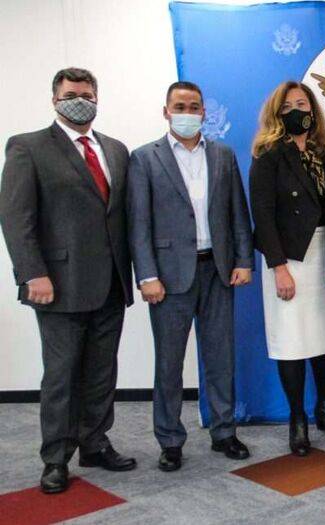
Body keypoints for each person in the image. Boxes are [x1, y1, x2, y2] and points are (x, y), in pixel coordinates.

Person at [0, 67, 137, 494]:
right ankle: (56, 457)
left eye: (87, 95)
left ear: (97, 99)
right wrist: (32, 273)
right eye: (71, 94)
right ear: (54, 100)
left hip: (111, 282)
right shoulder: (28, 147)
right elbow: (16, 218)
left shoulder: (115, 150)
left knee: (102, 371)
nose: (80, 101)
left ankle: (95, 443)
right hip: (57, 285)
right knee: (61, 375)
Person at [127, 81, 254, 472]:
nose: (187, 112)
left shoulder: (222, 155)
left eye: (194, 106)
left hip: (217, 269)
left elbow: (237, 212)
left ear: (203, 112)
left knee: (220, 357)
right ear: (166, 111)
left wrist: (243, 260)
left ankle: (224, 431)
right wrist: (147, 275)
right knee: (169, 362)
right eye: (179, 106)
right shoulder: (144, 158)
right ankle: (170, 440)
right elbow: (138, 223)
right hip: (168, 277)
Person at [249, 80, 325, 457]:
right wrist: (278, 266)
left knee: (324, 336)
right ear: (277, 113)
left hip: (324, 251)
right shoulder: (268, 153)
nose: (296, 111)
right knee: (291, 341)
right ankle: (297, 417)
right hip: (287, 256)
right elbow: (262, 213)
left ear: (313, 109)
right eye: (288, 106)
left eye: (302, 104)